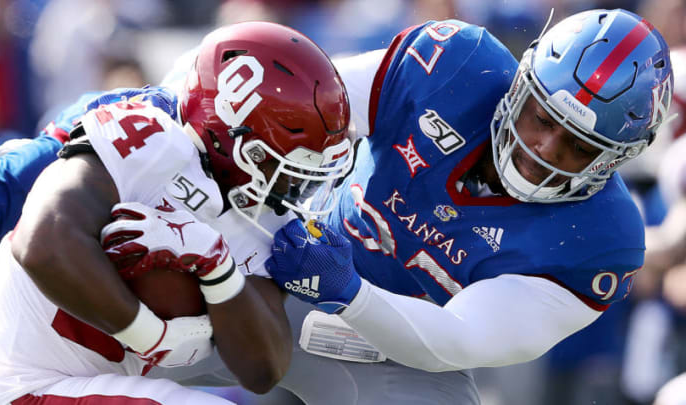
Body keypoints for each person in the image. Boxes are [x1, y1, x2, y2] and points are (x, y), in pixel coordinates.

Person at [258, 7, 674, 404]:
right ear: (519, 88)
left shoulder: (601, 240)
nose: (544, 149)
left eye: (579, 146)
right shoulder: (458, 64)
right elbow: (304, 99)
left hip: (405, 356)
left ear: (615, 160)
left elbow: (455, 339)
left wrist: (345, 289)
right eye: (543, 119)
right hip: (289, 260)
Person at [0, 21, 352, 404]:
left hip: (82, 381)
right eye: (288, 164)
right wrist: (151, 336)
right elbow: (43, 242)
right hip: (18, 378)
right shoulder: (148, 136)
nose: (298, 188)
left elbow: (263, 369)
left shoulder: (263, 214)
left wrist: (219, 269)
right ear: (233, 134)